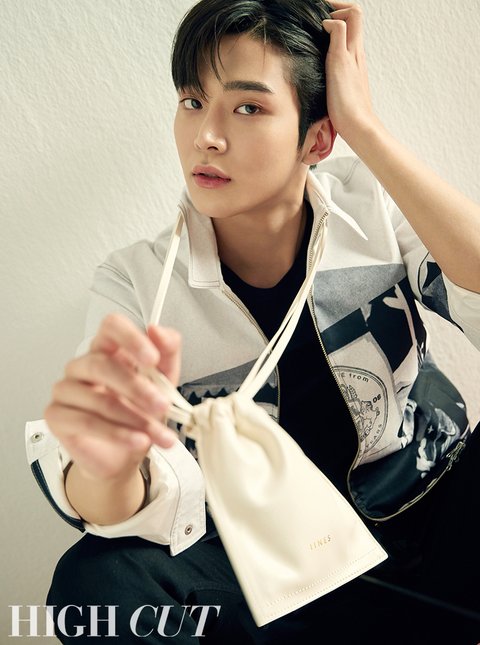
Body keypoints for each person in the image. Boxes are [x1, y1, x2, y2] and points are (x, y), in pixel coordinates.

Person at [25, 0, 480, 642]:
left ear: (316, 138)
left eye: (247, 107)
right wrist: (109, 465)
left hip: (427, 525)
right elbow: (109, 504)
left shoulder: (372, 205)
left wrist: (366, 128)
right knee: (97, 582)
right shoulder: (138, 281)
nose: (206, 136)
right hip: (261, 575)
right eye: (192, 101)